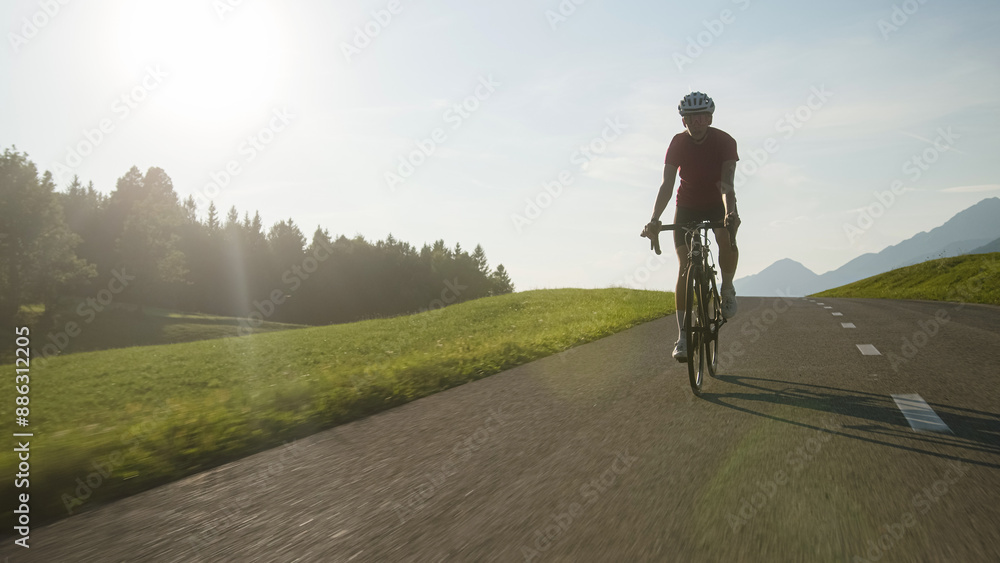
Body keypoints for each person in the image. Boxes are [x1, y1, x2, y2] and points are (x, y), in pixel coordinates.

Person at [641, 91, 741, 362]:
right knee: (685, 266)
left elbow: (727, 185)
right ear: (683, 121)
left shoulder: (725, 142)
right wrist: (654, 218)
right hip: (686, 205)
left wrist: (730, 213)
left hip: (717, 202)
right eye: (690, 118)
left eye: (701, 118)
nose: (696, 123)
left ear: (710, 119)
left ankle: (727, 288)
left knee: (726, 237)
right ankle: (683, 337)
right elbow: (667, 185)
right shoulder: (678, 143)